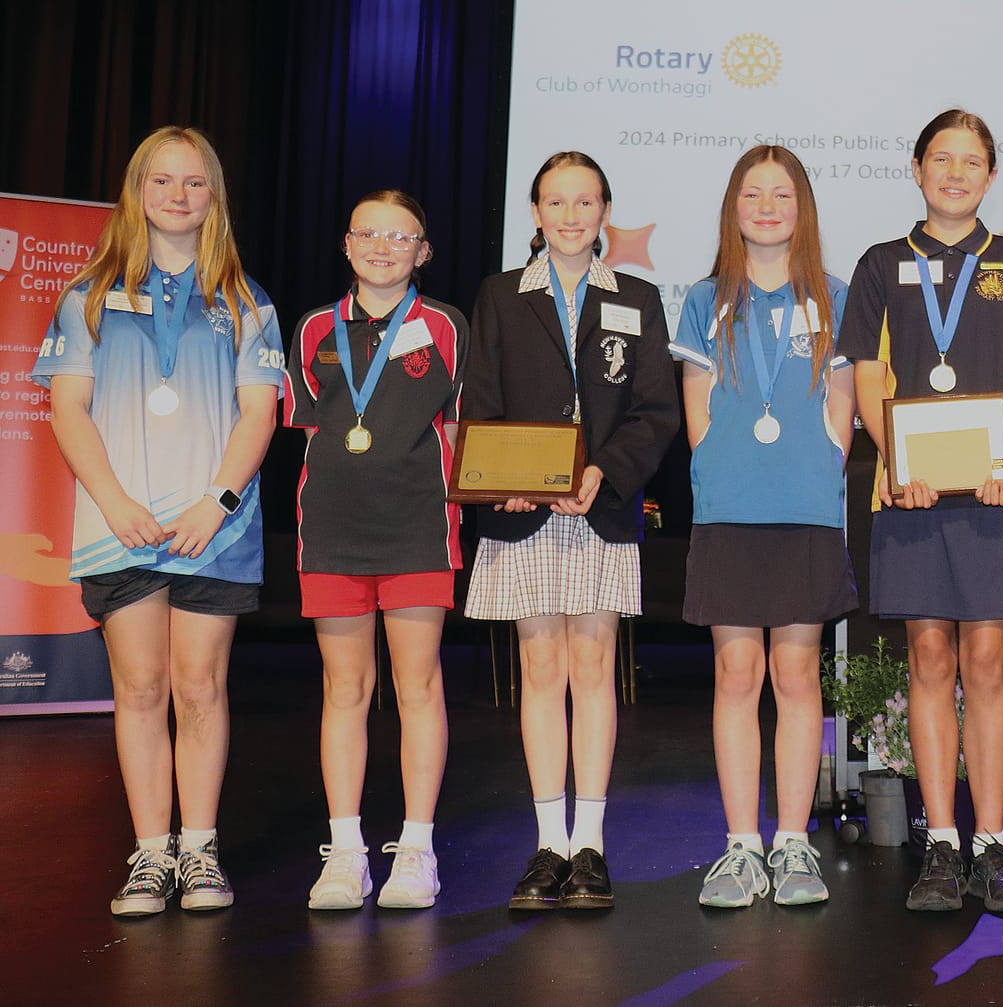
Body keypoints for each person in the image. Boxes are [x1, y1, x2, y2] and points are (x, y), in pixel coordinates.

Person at [33, 126, 285, 916]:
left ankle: (199, 851)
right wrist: (111, 499)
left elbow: (260, 412)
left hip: (212, 529)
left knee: (199, 685)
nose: (178, 196)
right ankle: (150, 854)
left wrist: (216, 502)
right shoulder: (89, 297)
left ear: (214, 198)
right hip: (123, 525)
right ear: (137, 191)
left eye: (195, 183)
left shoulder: (246, 301)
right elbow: (68, 409)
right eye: (163, 181)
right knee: (139, 687)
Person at [834, 109, 1003, 914]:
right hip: (914, 493)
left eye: (972, 161)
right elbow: (866, 377)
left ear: (991, 175)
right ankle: (940, 842)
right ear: (917, 168)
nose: (956, 173)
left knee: (989, 663)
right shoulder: (880, 264)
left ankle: (991, 843)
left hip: (996, 493)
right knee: (930, 660)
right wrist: (897, 459)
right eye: (942, 159)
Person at [461, 151, 679, 911]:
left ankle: (591, 843)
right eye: (556, 202)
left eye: (585, 202)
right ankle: (548, 843)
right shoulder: (498, 296)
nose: (570, 215)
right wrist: (505, 479)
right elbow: (480, 401)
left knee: (593, 667)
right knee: (540, 669)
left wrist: (605, 472)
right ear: (535, 212)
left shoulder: (640, 298)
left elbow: (659, 410)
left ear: (605, 213)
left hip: (601, 507)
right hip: (523, 515)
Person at [669, 146, 856, 908]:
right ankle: (741, 845)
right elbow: (696, 410)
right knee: (736, 676)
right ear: (733, 206)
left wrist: (829, 458)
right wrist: (721, 466)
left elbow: (843, 404)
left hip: (807, 511)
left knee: (796, 674)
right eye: (754, 192)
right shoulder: (705, 298)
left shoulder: (836, 296)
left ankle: (793, 841)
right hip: (731, 512)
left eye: (783, 193)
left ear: (803, 207)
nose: (769, 205)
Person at [284, 190, 466, 910]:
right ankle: (347, 851)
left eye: (401, 236)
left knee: (417, 685)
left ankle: (416, 848)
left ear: (423, 251)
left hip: (420, 525)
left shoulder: (446, 326)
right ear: (346, 243)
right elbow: (311, 434)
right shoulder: (312, 330)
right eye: (369, 233)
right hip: (330, 530)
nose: (383, 246)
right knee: (345, 688)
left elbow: (458, 431)